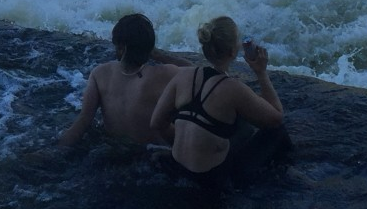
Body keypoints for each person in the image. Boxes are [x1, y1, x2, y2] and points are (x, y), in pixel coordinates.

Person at [150, 15, 287, 187]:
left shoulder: (183, 75)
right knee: (277, 131)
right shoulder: (233, 88)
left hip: (178, 169)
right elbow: (276, 117)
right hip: (211, 179)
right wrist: (261, 72)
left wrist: (187, 144)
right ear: (232, 51)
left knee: (234, 122)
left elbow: (156, 123)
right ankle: (286, 174)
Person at [58, 13, 188, 147]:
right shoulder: (166, 74)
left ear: (121, 47)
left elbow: (83, 121)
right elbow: (197, 71)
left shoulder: (100, 73)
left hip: (113, 152)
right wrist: (159, 55)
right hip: (150, 153)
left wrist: (57, 149)